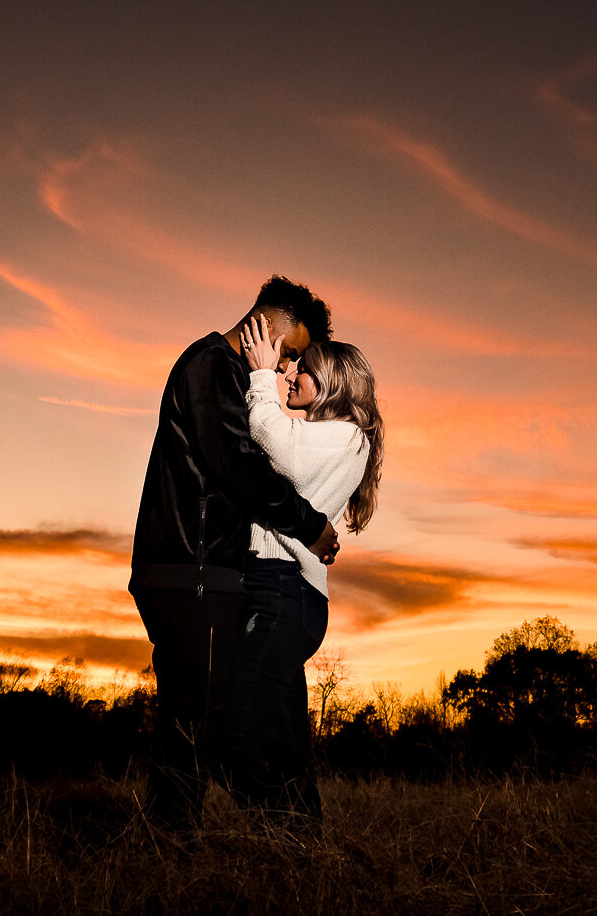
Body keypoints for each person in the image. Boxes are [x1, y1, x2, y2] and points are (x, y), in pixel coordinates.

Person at [127, 276, 342, 825]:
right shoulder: (211, 366)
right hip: (189, 572)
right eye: (290, 352)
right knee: (193, 719)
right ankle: (169, 844)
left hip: (198, 571)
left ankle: (179, 839)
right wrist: (309, 526)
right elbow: (237, 466)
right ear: (267, 326)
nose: (288, 368)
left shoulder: (221, 373)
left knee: (203, 717)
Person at [224, 314, 383, 830]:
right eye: (289, 368)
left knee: (236, 731)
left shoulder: (345, 436)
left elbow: (280, 448)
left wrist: (261, 377)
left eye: (302, 371)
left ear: (332, 384)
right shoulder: (331, 435)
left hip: (281, 592)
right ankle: (304, 849)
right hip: (283, 595)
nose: (291, 375)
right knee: (287, 743)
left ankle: (279, 829)